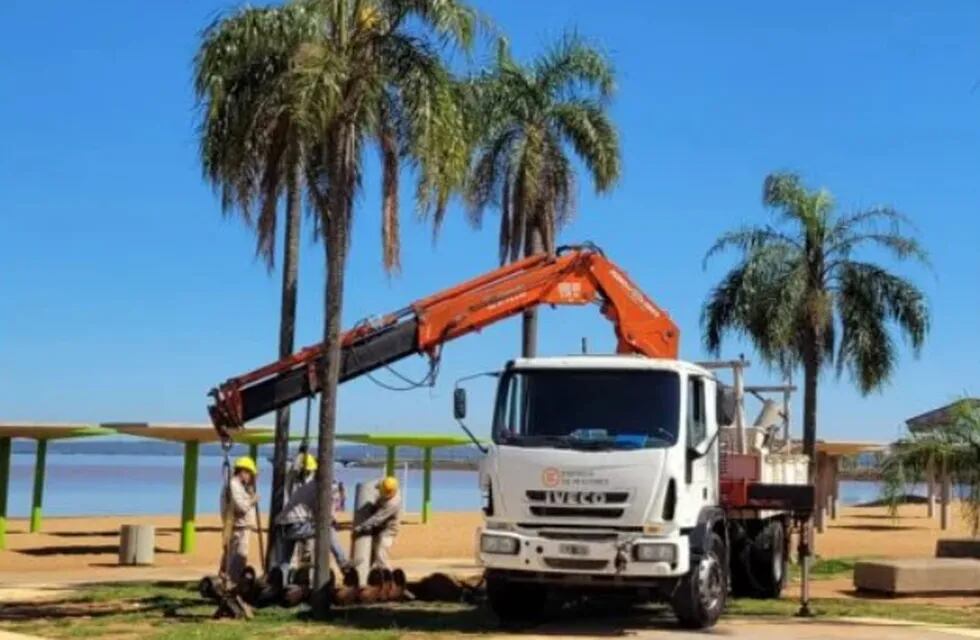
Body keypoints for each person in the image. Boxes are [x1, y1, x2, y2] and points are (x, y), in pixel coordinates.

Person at [273, 472, 350, 576]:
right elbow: (322, 517)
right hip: (295, 526)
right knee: (327, 530)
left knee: (284, 563)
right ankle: (343, 563)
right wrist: (331, 520)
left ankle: (279, 584)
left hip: (283, 526)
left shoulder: (309, 486)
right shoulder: (319, 489)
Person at [219, 456, 258, 585]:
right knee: (239, 557)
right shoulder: (233, 486)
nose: (251, 478)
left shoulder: (238, 486)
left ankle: (226, 580)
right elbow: (241, 507)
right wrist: (253, 500)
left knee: (231, 557)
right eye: (250, 474)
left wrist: (249, 494)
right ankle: (232, 583)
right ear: (243, 472)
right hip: (239, 527)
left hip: (239, 526)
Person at [353, 476, 402, 569]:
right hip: (378, 524)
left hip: (389, 529)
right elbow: (374, 484)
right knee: (371, 550)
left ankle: (387, 575)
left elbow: (377, 518)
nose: (381, 492)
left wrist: (361, 527)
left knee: (380, 552)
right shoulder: (386, 483)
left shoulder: (393, 503)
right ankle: (367, 572)